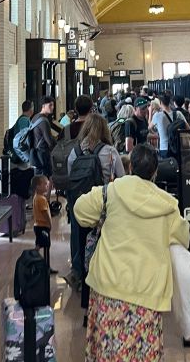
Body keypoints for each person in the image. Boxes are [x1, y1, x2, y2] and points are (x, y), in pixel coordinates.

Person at [74, 144, 189, 362]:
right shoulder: (166, 205)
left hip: (109, 286)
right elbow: (183, 240)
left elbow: (79, 211)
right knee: (143, 358)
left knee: (109, 350)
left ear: (130, 166)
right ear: (154, 171)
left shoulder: (111, 192)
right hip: (146, 292)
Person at [67, 112, 125, 298]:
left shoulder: (74, 152)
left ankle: (79, 275)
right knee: (103, 240)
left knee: (79, 238)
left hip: (80, 205)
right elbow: (122, 179)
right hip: (103, 205)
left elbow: (71, 177)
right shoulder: (109, 151)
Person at [30, 96, 57, 179]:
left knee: (38, 180)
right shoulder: (44, 121)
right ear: (43, 106)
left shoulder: (35, 117)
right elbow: (49, 141)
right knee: (45, 179)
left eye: (53, 105)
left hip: (35, 153)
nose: (52, 107)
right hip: (43, 154)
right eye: (50, 105)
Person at [150, 94, 180, 159]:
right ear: (169, 102)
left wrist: (150, 112)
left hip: (164, 147)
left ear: (160, 103)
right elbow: (188, 128)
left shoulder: (157, 115)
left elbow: (149, 127)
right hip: (177, 146)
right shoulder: (178, 113)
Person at [32, 174, 53, 262]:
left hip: (38, 226)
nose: (47, 186)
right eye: (45, 184)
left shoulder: (37, 197)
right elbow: (45, 213)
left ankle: (41, 262)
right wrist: (50, 223)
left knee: (40, 244)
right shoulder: (41, 199)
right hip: (43, 226)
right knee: (45, 245)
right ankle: (45, 264)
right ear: (38, 187)